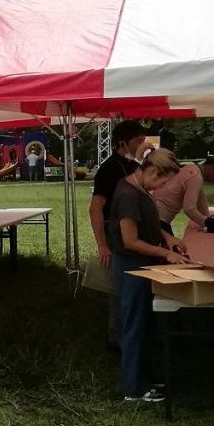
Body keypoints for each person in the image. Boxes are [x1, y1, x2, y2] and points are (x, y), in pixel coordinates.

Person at [109, 147, 190, 402]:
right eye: (163, 181)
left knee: (144, 325)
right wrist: (165, 254)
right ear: (152, 171)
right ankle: (132, 389)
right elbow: (130, 240)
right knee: (134, 326)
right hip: (131, 267)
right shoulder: (127, 195)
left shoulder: (141, 189)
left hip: (143, 266)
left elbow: (151, 224)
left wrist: (169, 238)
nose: (163, 187)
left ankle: (142, 379)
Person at [89, 120, 149, 352]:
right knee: (118, 289)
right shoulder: (110, 169)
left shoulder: (133, 166)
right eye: (137, 141)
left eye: (143, 139)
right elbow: (95, 209)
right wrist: (102, 245)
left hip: (130, 232)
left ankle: (130, 336)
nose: (142, 144)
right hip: (115, 236)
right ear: (123, 143)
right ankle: (117, 340)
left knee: (130, 287)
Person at [151, 160, 211, 231]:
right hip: (158, 221)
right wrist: (209, 223)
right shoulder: (195, 176)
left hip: (151, 213)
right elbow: (189, 209)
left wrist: (209, 220)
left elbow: (201, 202)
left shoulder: (190, 170)